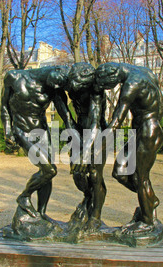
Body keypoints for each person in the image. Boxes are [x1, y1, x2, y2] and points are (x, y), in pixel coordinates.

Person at [76, 62, 163, 236]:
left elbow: (116, 121)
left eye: (107, 85)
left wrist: (94, 150)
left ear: (113, 75)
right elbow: (159, 102)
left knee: (141, 177)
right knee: (120, 172)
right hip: (142, 130)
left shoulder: (132, 83)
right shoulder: (145, 71)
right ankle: (150, 200)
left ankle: (147, 222)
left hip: (148, 131)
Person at [1, 66, 75, 221]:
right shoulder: (13, 77)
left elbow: (64, 111)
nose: (55, 88)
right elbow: (4, 106)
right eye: (54, 84)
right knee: (49, 170)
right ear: (52, 72)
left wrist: (71, 129)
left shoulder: (54, 86)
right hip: (22, 130)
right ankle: (24, 196)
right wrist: (7, 130)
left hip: (42, 131)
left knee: (47, 174)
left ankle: (41, 213)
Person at [65, 62, 108, 232]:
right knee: (77, 173)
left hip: (98, 132)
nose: (74, 87)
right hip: (79, 131)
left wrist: (86, 152)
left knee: (96, 174)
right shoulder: (72, 88)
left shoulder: (96, 92)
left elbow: (95, 122)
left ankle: (95, 216)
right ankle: (88, 198)